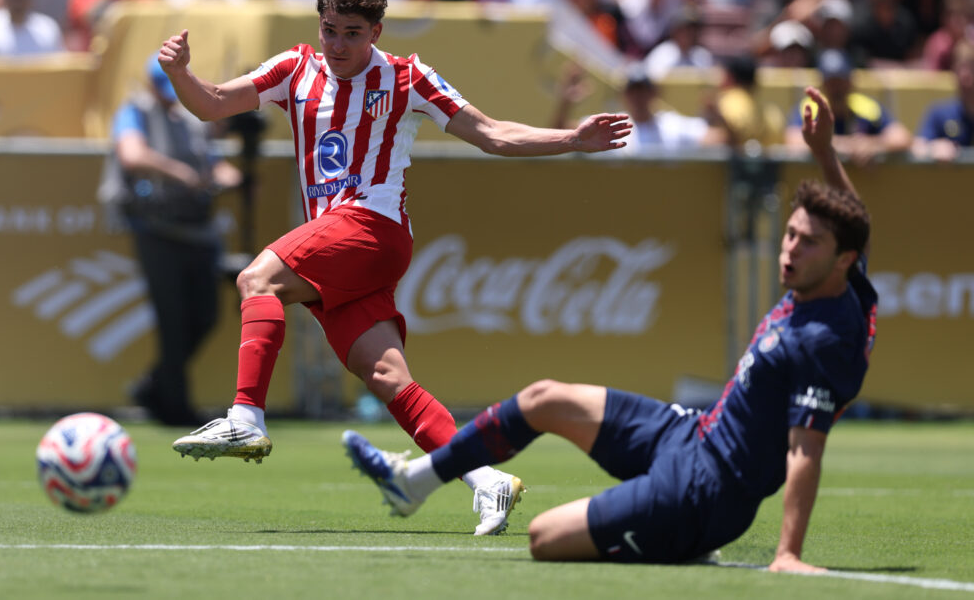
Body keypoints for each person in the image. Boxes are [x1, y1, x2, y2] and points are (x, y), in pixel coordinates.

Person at [158, 0, 631, 536]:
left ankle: (245, 417)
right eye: (329, 30)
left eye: (352, 33)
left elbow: (492, 133)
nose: (337, 45)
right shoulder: (294, 68)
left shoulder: (407, 77)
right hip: (342, 241)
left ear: (376, 31)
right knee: (385, 375)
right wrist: (180, 73)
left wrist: (572, 140)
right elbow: (211, 105)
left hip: (372, 226)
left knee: (257, 278)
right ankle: (486, 480)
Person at [344, 85, 878, 569]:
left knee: (544, 537)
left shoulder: (827, 338)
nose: (789, 250)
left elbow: (805, 449)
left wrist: (787, 554)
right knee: (543, 398)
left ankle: (681, 537)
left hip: (707, 492)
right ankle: (414, 482)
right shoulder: (845, 282)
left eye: (808, 243)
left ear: (841, 260)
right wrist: (824, 152)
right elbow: (854, 221)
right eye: (789, 235)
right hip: (691, 435)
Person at [100, 55, 242, 426]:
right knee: (173, 322)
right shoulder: (134, 112)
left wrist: (228, 176)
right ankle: (176, 410)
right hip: (156, 231)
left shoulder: (189, 120)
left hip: (197, 230)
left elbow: (213, 163)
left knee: (205, 316)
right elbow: (132, 155)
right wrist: (179, 172)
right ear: (150, 85)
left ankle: (154, 386)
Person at [552, 63, 724, 157]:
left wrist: (719, 115)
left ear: (653, 93)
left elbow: (722, 140)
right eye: (633, 90)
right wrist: (565, 104)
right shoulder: (608, 127)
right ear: (624, 95)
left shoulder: (672, 126)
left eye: (643, 89)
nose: (638, 96)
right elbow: (562, 137)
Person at [784, 49, 912, 165]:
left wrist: (872, 145)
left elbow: (902, 138)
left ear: (850, 82)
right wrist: (843, 146)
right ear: (822, 84)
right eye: (831, 82)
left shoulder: (867, 107)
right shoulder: (809, 108)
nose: (836, 88)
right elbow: (793, 141)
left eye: (841, 81)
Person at [913, 39, 974, 162]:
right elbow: (916, 148)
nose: (965, 75)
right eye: (960, 67)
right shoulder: (939, 113)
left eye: (971, 67)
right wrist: (933, 148)